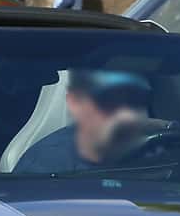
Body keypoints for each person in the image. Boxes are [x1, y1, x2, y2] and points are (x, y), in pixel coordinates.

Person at [11, 69, 151, 174]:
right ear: (75, 103)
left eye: (134, 101)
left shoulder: (154, 150)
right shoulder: (47, 162)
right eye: (108, 101)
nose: (125, 114)